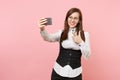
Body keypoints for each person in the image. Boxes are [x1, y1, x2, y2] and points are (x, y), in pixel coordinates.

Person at [38, 8, 91, 80]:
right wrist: (42, 29)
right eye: (70, 17)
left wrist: (80, 42)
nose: (72, 20)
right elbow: (48, 38)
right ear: (67, 19)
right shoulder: (61, 33)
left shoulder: (85, 35)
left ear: (79, 21)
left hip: (75, 74)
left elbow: (87, 56)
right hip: (58, 72)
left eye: (75, 18)